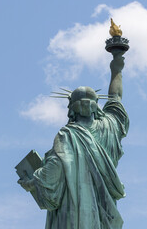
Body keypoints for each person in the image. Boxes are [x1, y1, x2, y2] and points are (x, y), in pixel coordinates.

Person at [18, 50, 129, 229]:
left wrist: (31, 182)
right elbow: (116, 98)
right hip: (102, 216)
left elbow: (53, 171)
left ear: (72, 109)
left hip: (72, 214)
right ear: (95, 107)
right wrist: (116, 67)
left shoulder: (67, 136)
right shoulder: (109, 128)